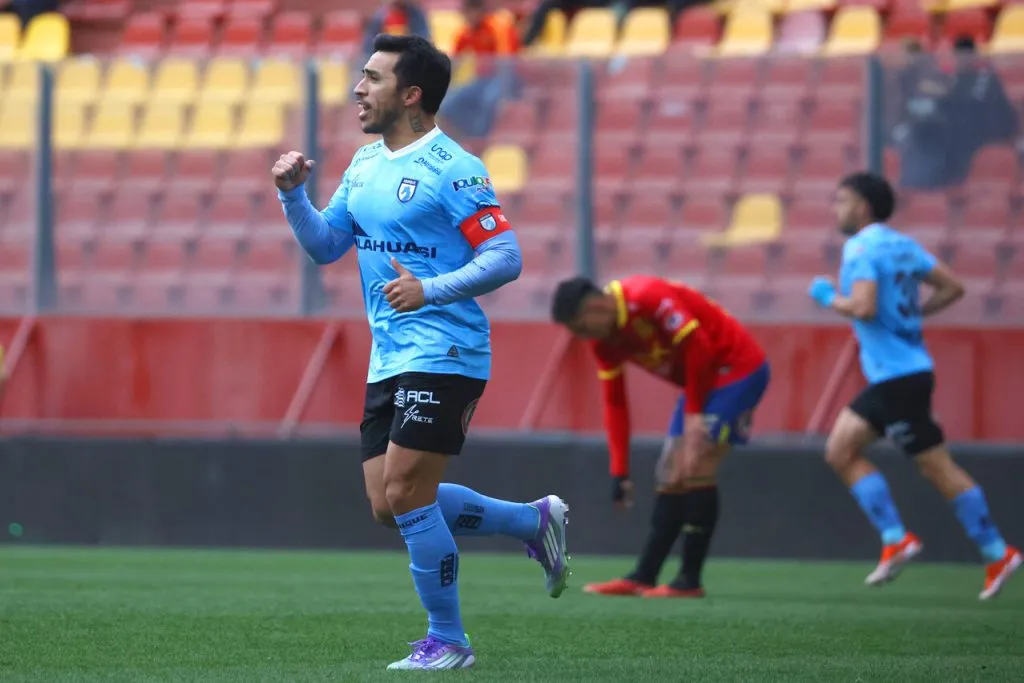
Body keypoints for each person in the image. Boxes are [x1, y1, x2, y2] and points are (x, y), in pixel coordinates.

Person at [273, 34, 571, 670]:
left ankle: (449, 640)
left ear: (411, 95)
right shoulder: (363, 163)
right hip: (391, 355)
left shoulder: (453, 168)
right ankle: (529, 522)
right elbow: (328, 246)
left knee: (408, 491)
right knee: (389, 504)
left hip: (448, 348)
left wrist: (430, 289)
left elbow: (506, 257)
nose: (359, 88)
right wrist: (294, 195)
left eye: (373, 78)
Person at [808, 171, 1020, 599]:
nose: (837, 209)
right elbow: (953, 287)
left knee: (935, 467)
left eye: (842, 200)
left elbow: (864, 308)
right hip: (903, 372)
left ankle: (996, 551)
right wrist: (912, 319)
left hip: (896, 377)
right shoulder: (902, 244)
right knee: (840, 450)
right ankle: (896, 539)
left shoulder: (860, 247)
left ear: (863, 206)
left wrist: (828, 297)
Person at [551, 275, 770, 597]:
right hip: (701, 383)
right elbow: (615, 402)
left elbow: (699, 347)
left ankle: (689, 580)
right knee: (670, 472)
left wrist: (694, 413)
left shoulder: (648, 297)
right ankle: (644, 575)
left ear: (597, 307)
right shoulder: (604, 341)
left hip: (735, 370)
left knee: (695, 464)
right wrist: (619, 471)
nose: (585, 338)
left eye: (582, 328)